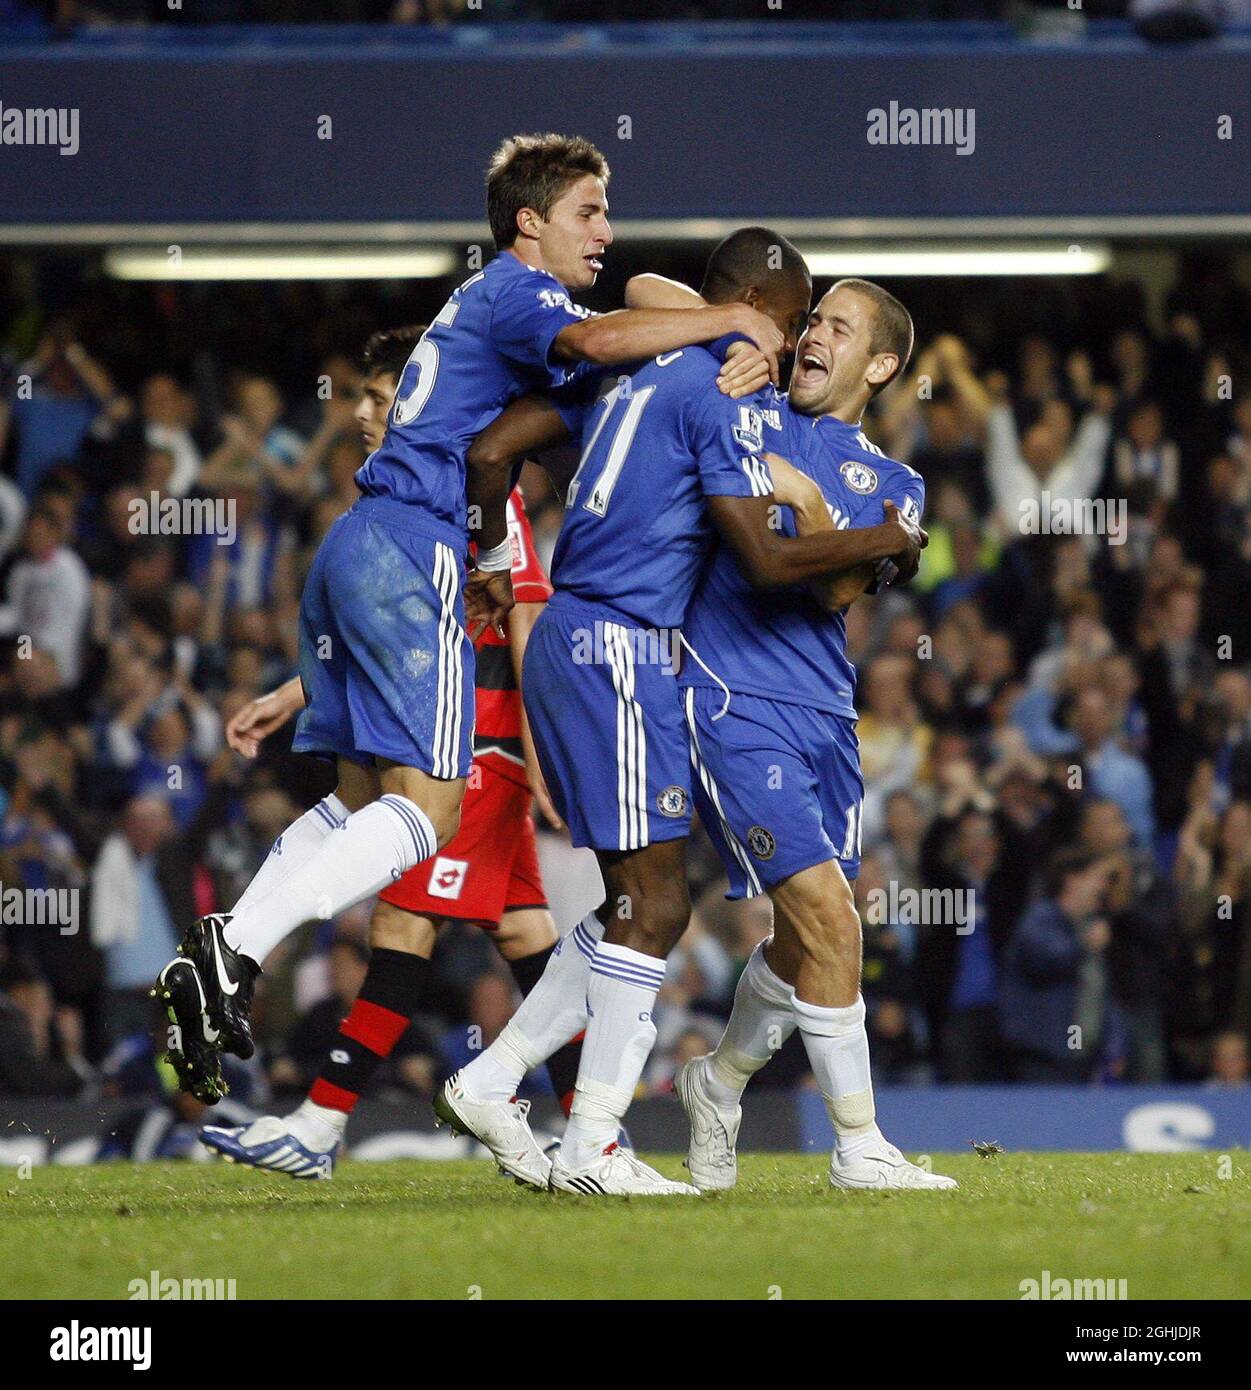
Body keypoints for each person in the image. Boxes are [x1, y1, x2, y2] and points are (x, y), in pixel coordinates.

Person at [151, 131, 785, 1107]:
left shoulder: (513, 306)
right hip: (412, 549)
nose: (607, 232)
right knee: (429, 810)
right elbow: (600, 338)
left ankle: (227, 954)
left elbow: (501, 443)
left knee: (365, 804)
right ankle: (232, 950)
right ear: (529, 223)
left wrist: (493, 556)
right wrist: (738, 318)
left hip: (371, 539)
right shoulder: (519, 292)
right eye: (589, 212)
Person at [439, 240, 927, 1195]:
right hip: (721, 697)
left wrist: (825, 510)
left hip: (824, 714)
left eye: (837, 327)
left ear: (880, 367)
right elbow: (656, 292)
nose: (812, 336)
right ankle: (854, 1144)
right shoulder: (741, 394)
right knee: (810, 915)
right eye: (808, 317)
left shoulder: (891, 477)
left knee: (785, 934)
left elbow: (834, 592)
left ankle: (698, 1080)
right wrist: (731, 327)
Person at [198, 326, 582, 1177]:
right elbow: (402, 638)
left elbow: (522, 613)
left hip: (478, 743)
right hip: (469, 735)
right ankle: (599, 1130)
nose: (363, 414)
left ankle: (318, 1125)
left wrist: (539, 751)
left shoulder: (477, 494)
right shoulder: (415, 499)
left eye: (379, 398)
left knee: (403, 917)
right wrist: (291, 693)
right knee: (526, 934)